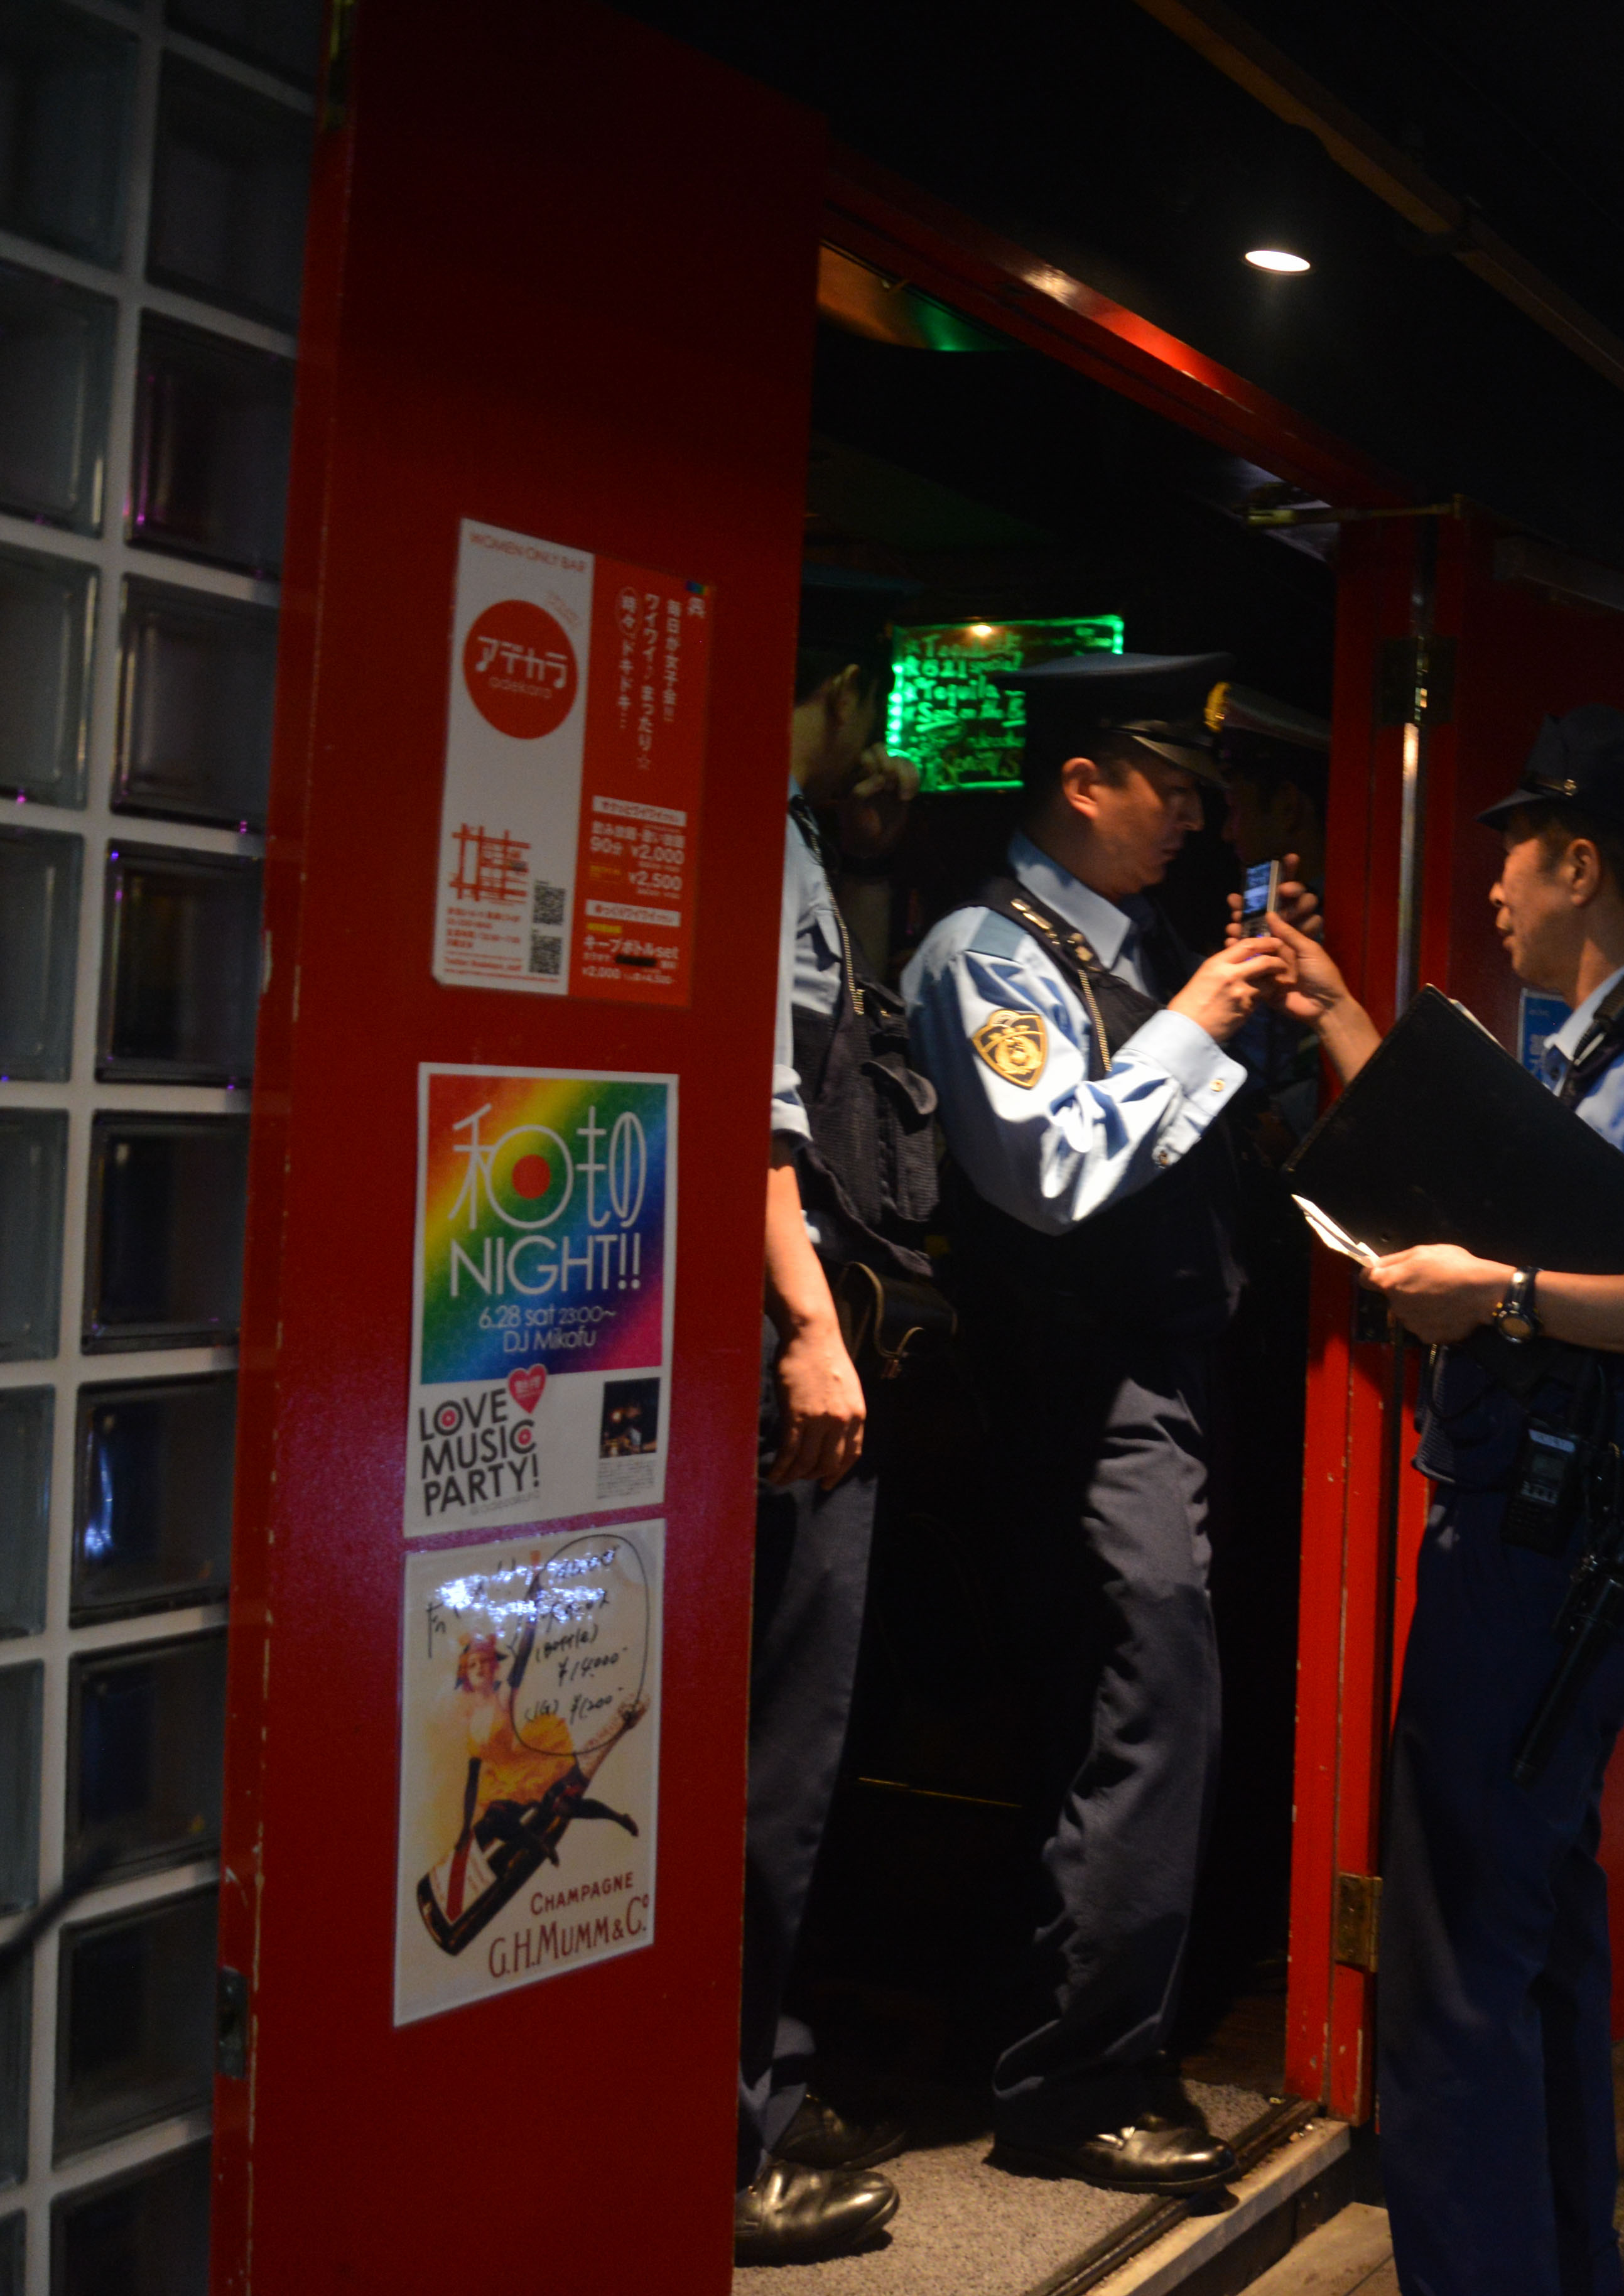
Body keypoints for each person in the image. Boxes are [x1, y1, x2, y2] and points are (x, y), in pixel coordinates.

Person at [1265, 706, 1624, 2296]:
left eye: (1513, 849)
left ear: (1578, 861)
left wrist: (1494, 1296)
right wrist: (1339, 1012)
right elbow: (1505, 1193)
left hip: (1545, 1552)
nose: (1492, 882)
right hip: (1538, 1535)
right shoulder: (1584, 1047)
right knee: (1533, 1917)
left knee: (1454, 1955)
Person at [898, 651, 1329, 2189]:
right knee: (1140, 1699)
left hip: (1176, 1360)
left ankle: (1088, 2037)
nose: (1195, 816)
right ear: (1081, 783)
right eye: (1171, 785)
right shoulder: (983, 953)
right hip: (1075, 1383)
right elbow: (1048, 1170)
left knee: (1147, 1700)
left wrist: (1257, 1014)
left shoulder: (1133, 944)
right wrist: (1201, 1013)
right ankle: (1074, 2076)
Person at [734, 624, 917, 2264]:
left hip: (753, 1330)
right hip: (768, 1339)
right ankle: (725, 2133)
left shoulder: (790, 832)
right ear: (834, 688)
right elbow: (756, 1111)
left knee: (770, 1744)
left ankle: (760, 2085)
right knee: (769, 1749)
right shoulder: (748, 828)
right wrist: (809, 1323)